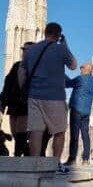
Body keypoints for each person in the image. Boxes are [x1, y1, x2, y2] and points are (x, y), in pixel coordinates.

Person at [19, 23, 77, 173]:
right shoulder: (60, 49)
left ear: (45, 32)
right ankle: (55, 164)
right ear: (59, 35)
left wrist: (23, 89)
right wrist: (65, 45)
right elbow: (73, 65)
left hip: (34, 97)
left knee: (36, 131)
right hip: (55, 97)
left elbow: (21, 72)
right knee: (59, 132)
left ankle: (34, 165)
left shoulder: (31, 50)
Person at [0, 41, 34, 156]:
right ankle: (27, 151)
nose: (24, 52)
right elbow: (7, 83)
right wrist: (3, 100)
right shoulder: (16, 65)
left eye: (27, 50)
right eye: (23, 50)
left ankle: (17, 155)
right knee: (14, 132)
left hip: (26, 103)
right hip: (13, 102)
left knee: (20, 132)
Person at [65, 63, 93, 166]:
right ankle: (86, 159)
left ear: (86, 69)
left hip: (77, 109)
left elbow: (68, 83)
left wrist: (62, 75)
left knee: (74, 134)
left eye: (81, 68)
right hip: (86, 112)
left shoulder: (80, 79)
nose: (80, 70)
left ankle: (72, 159)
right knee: (85, 135)